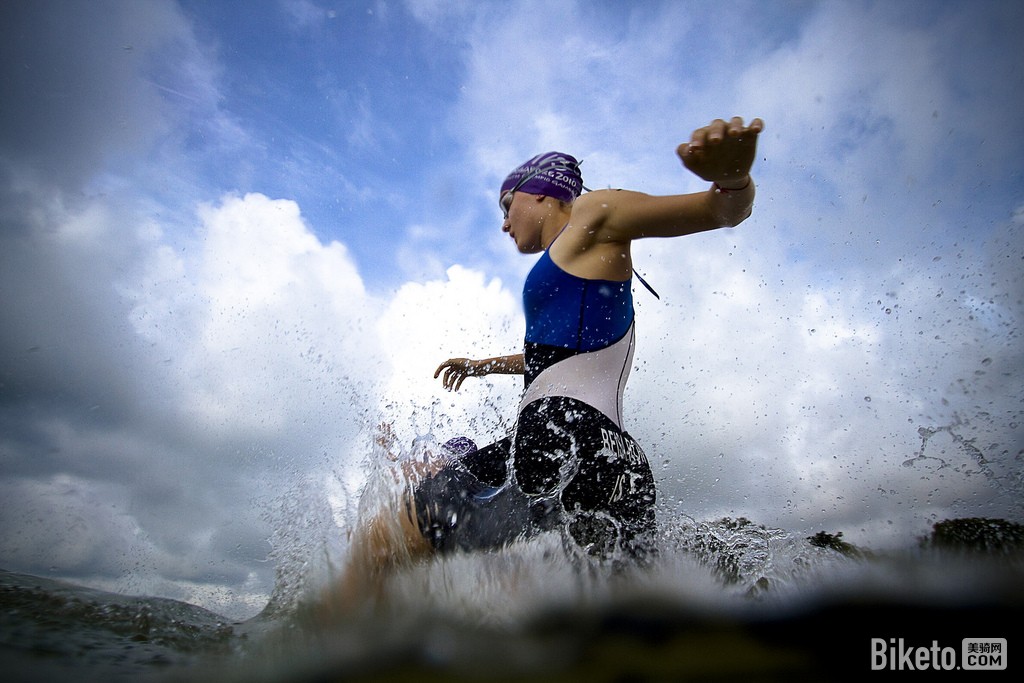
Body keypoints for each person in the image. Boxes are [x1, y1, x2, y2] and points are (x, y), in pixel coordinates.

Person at [332, 116, 763, 604]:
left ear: (540, 192)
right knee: (622, 624)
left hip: (554, 438)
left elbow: (721, 211)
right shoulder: (581, 263)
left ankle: (316, 650)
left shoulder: (593, 212)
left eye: (506, 203)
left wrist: (731, 181)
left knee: (381, 541)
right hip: (613, 458)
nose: (503, 221)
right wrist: (483, 366)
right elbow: (555, 359)